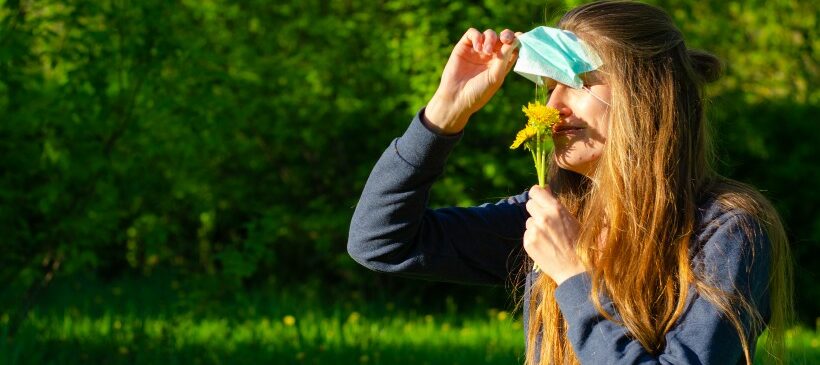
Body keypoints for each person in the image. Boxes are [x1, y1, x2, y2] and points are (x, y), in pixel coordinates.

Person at [347, 1, 792, 364]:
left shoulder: (726, 228)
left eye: (576, 81)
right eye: (548, 84)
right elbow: (380, 242)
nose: (553, 104)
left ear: (647, 94)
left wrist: (573, 274)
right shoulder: (558, 212)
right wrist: (443, 115)